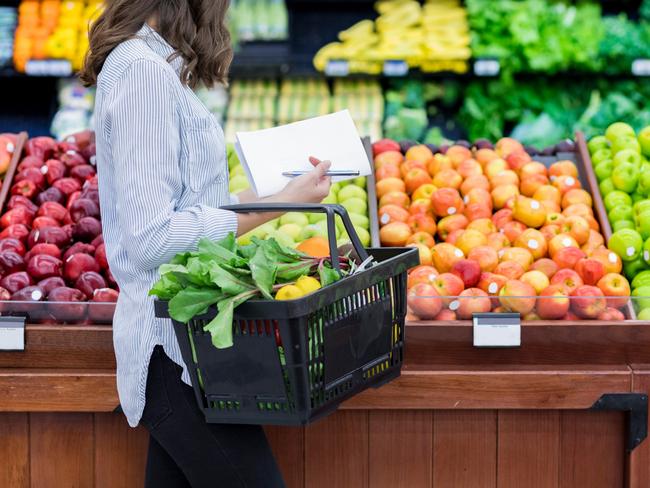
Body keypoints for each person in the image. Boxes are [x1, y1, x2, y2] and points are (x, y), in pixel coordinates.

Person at [80, 1, 331, 486]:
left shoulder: (152, 66)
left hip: (191, 349)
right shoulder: (142, 74)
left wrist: (282, 193)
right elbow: (153, 236)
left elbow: (193, 205)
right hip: (172, 354)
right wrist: (276, 208)